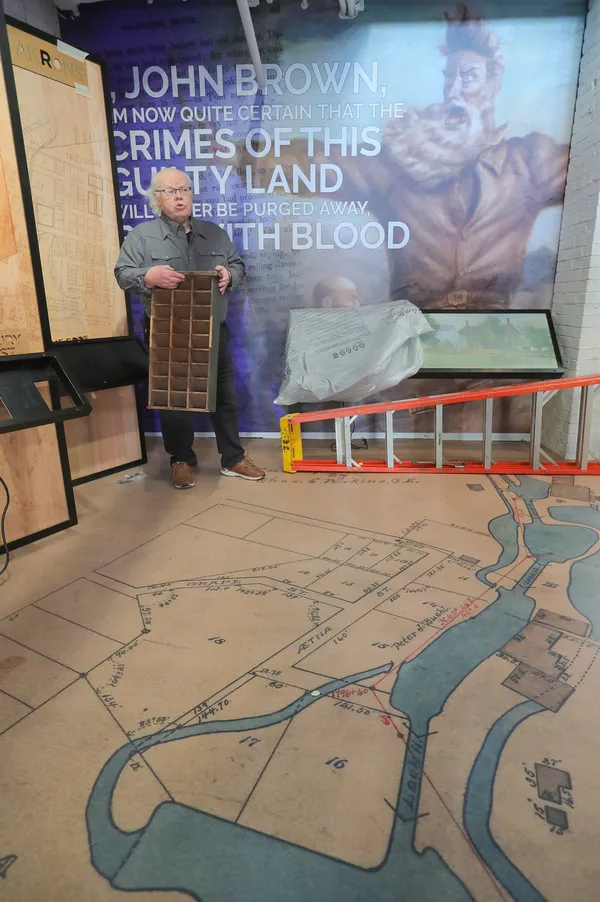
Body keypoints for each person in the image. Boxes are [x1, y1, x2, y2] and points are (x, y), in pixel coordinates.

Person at [237, 4, 568, 311]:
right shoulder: (402, 160)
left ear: (494, 82)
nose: (453, 91)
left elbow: (584, 178)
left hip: (496, 335)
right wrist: (241, 156)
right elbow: (321, 163)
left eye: (467, 77)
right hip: (414, 335)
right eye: (448, 78)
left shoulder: (529, 162)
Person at [114, 167, 265, 489]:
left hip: (212, 328)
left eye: (183, 189)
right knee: (173, 400)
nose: (179, 196)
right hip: (168, 331)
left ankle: (233, 457)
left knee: (224, 396)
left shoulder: (215, 233)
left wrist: (230, 276)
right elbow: (123, 274)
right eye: (170, 191)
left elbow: (238, 266)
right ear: (157, 198)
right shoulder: (141, 236)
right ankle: (181, 458)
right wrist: (148, 277)